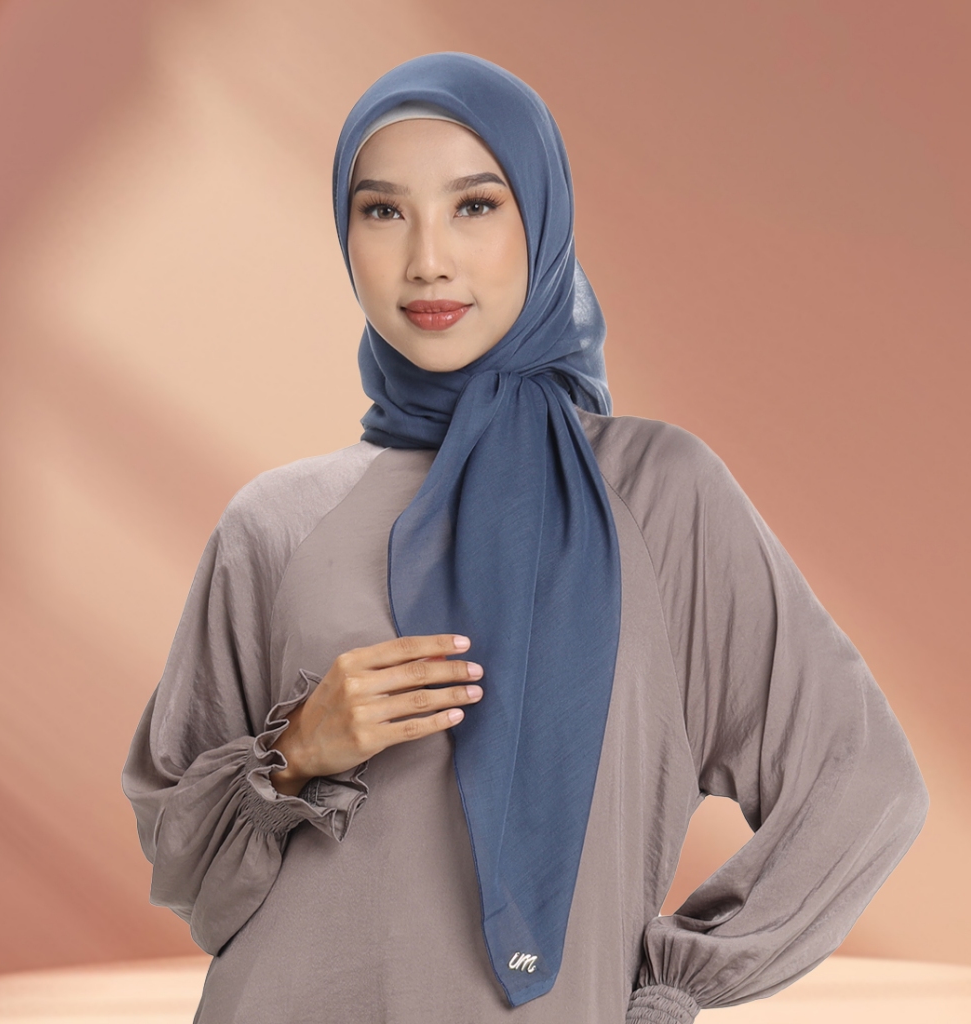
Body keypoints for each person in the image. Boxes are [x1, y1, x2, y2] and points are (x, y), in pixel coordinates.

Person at [122, 52, 929, 1024]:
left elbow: (862, 780)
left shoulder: (658, 494)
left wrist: (678, 986)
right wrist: (293, 755)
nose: (427, 258)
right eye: (382, 211)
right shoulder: (274, 521)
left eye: (474, 205)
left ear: (541, 219)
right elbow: (189, 873)